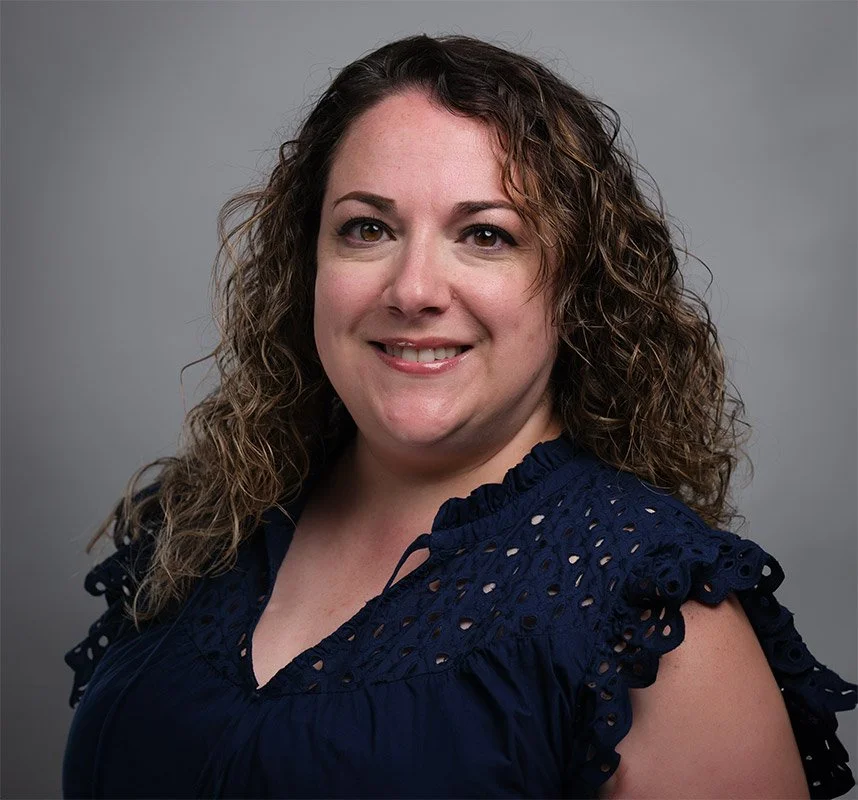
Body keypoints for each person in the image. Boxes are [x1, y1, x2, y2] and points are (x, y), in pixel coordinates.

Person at [63, 34, 856, 799]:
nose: (413, 290)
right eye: (367, 228)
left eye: (485, 235)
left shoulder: (657, 618)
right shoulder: (200, 524)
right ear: (309, 264)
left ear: (576, 287)